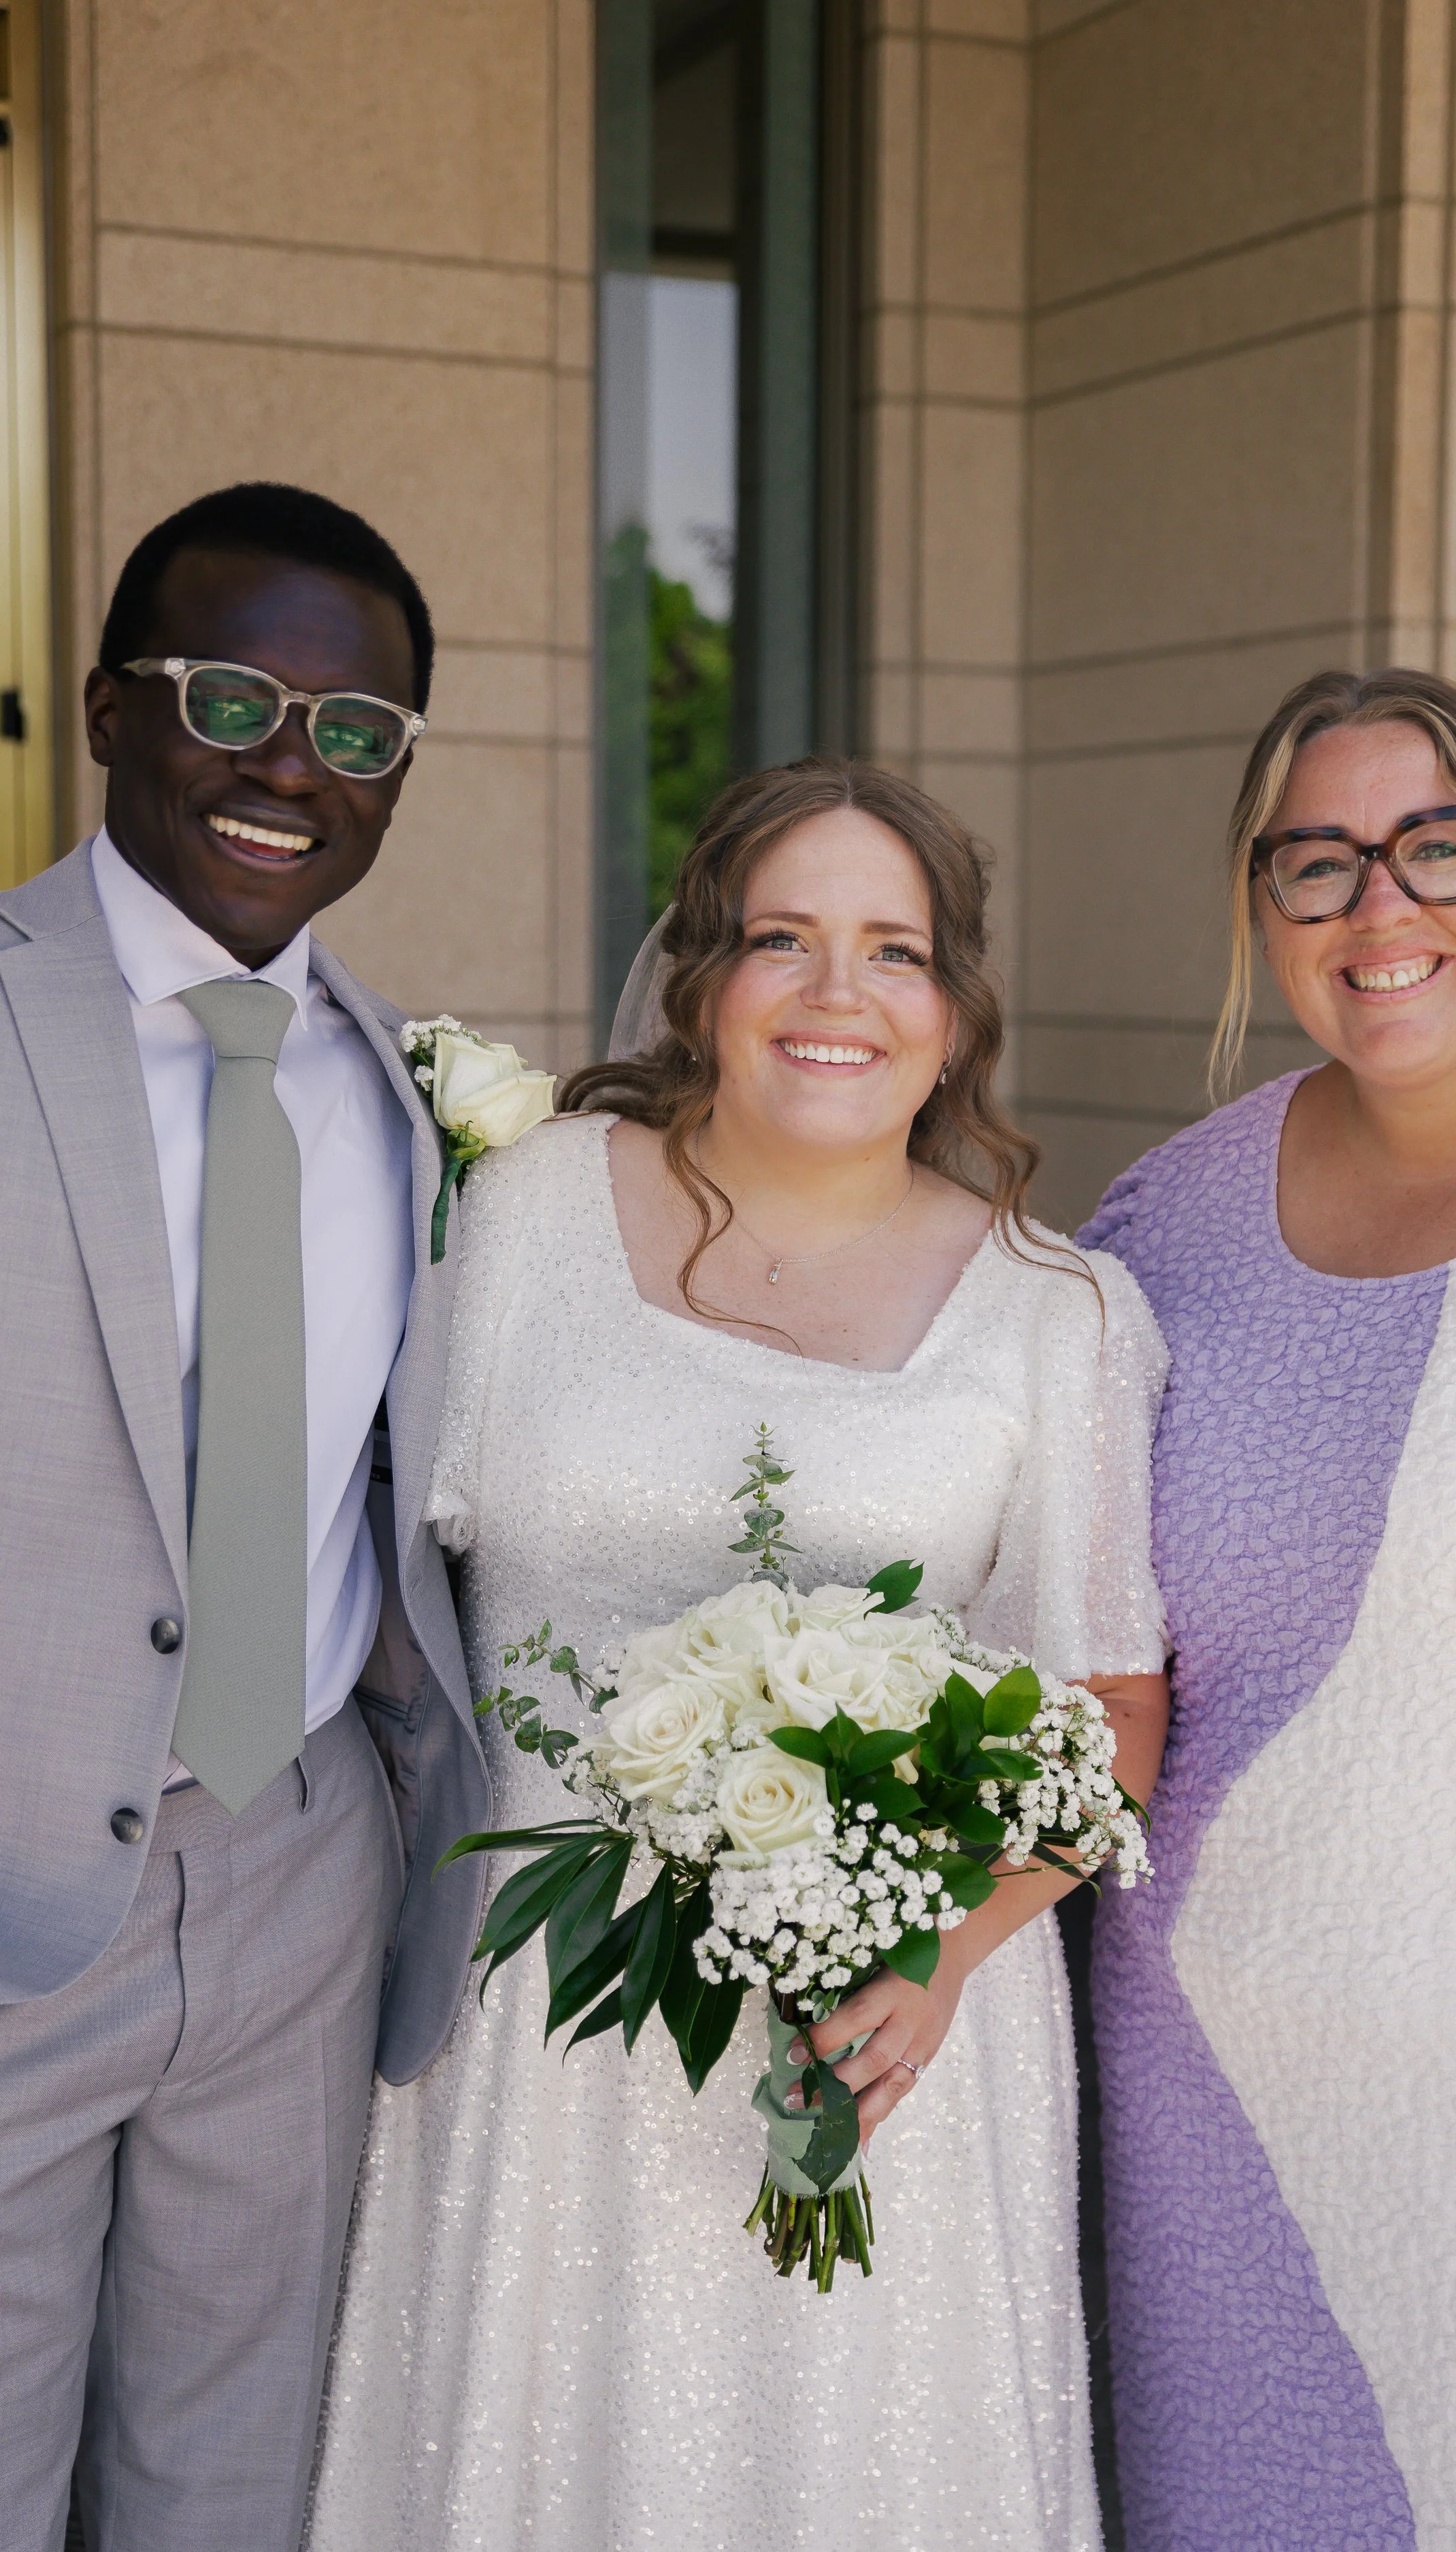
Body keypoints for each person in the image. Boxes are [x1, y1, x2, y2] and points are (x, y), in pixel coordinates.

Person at [306, 760, 1173, 2551]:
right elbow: (380, 1598)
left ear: (953, 1015)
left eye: (889, 950)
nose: (833, 992)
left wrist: (931, 1946)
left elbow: (1113, 1715)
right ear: (701, 979)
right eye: (780, 937)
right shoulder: (525, 1216)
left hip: (886, 2048)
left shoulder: (1056, 1313)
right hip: (538, 2030)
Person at [1082, 666, 1456, 2550]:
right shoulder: (1159, 1227)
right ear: (1259, 909)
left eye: (1432, 846)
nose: (1380, 911)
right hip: (1204, 2117)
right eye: (1317, 865)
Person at [0, 482, 494, 2552]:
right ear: (111, 710)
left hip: (297, 1873)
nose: (292, 763)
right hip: (17, 1885)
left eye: (355, 730)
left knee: (231, 2487)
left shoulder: (403, 1081)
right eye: (232, 699)